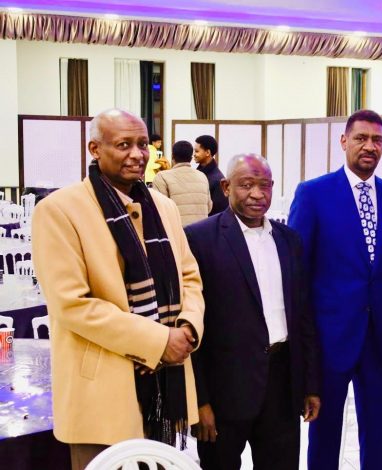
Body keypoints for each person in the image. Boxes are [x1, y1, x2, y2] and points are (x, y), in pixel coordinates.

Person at [31, 109, 204, 470]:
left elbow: (189, 276)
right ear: (95, 149)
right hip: (100, 396)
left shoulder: (164, 208)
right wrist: (159, 341)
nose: (137, 154)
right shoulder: (59, 210)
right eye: (124, 145)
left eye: (142, 144)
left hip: (165, 391)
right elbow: (73, 305)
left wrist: (188, 327)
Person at [289, 109, 382, 470]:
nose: (369, 146)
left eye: (377, 140)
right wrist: (304, 342)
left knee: (378, 433)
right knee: (324, 431)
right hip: (329, 336)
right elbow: (298, 274)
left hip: (381, 337)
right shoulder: (313, 194)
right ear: (343, 141)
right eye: (361, 138)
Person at [185, 154, 321, 470]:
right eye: (246, 185)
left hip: (282, 385)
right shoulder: (199, 239)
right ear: (225, 187)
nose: (257, 194)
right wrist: (199, 401)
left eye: (264, 186)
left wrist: (310, 384)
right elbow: (193, 326)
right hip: (224, 390)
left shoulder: (289, 241)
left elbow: (303, 317)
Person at [152, 140, 212, 226]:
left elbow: (159, 209)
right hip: (201, 230)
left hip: (177, 231)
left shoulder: (162, 177)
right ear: (191, 158)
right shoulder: (202, 176)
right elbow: (209, 207)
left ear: (173, 156)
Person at [194, 134, 229, 216]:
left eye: (197, 151)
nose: (194, 154)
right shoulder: (199, 174)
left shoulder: (217, 180)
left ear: (207, 152)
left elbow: (219, 212)